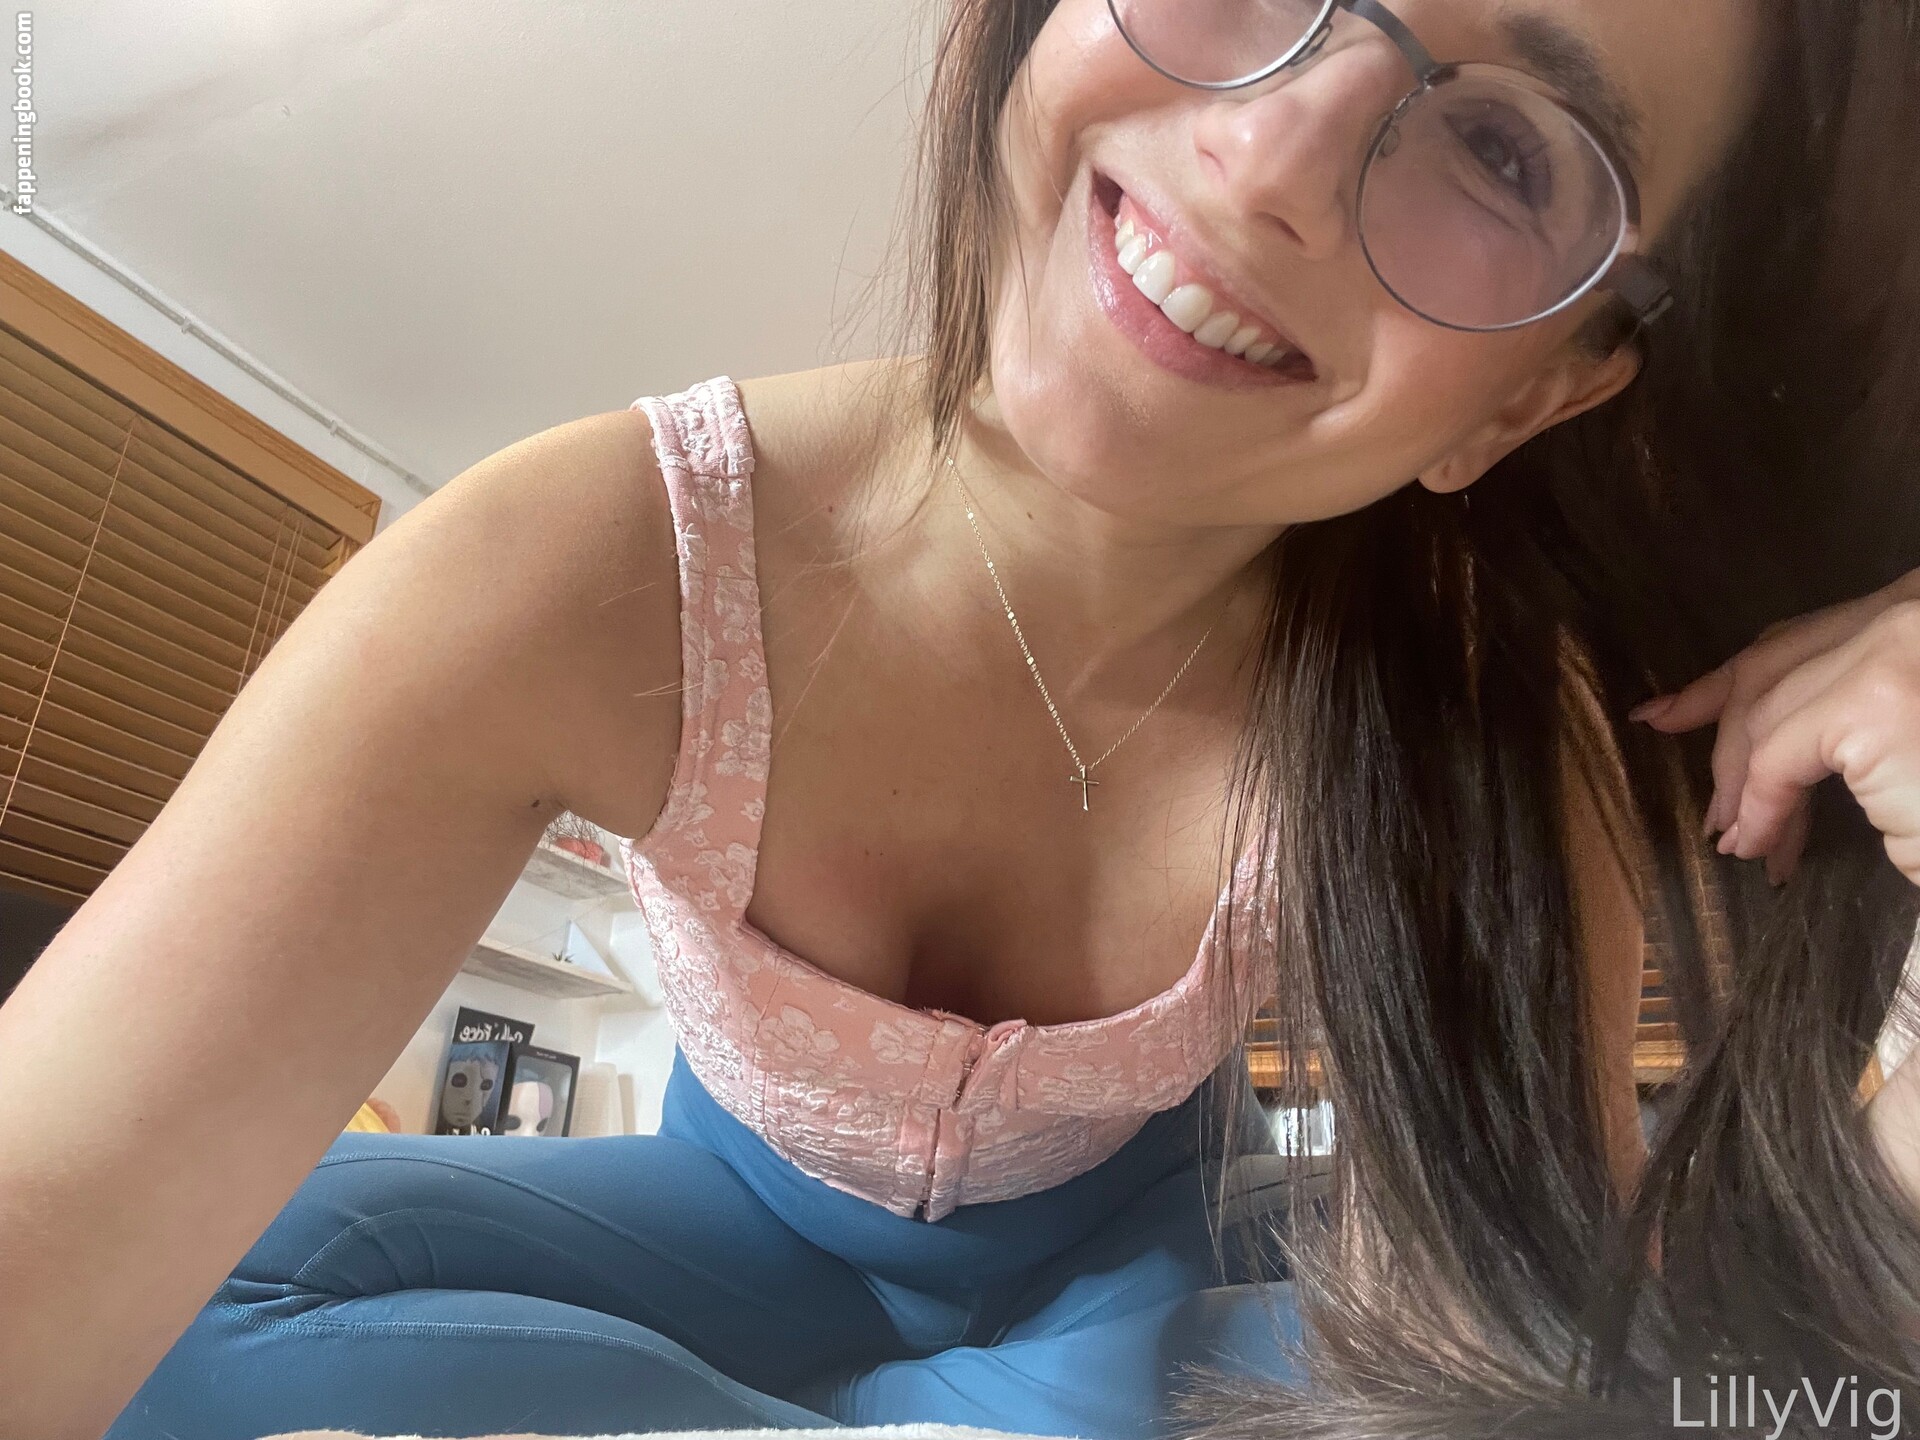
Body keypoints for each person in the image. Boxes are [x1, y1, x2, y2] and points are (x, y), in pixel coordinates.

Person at [5, 0, 1920, 1436]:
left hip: (1143, 1268)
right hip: (726, 1216)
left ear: (1531, 397)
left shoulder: (1485, 716)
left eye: (1505, 153)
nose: (1271, 160)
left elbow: (1613, 1326)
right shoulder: (569, 566)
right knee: (202, 1301)